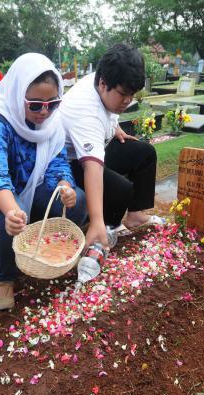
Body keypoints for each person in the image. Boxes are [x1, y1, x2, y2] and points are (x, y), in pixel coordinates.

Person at [0, 53, 87, 310]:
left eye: (52, 103)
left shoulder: (52, 122)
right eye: (35, 104)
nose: (44, 112)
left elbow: (57, 161)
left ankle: (55, 252)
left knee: (78, 199)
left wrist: (64, 186)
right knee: (11, 216)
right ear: (17, 93)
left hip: (31, 186)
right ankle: (5, 278)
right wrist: (12, 209)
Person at [59, 43, 165, 248]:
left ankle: (136, 215)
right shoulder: (86, 111)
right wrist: (97, 220)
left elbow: (108, 112)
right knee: (120, 189)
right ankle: (105, 229)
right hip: (68, 163)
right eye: (123, 94)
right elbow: (92, 167)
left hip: (94, 149)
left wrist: (115, 127)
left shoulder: (106, 83)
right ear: (102, 84)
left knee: (144, 153)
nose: (127, 100)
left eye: (132, 94)